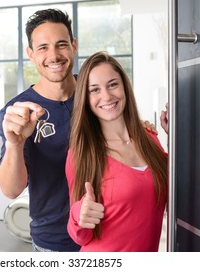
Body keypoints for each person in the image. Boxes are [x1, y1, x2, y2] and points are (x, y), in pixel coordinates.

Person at [0, 9, 159, 252]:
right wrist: (15, 144)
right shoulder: (19, 112)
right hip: (54, 242)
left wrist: (147, 132)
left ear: (73, 45)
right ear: (30, 54)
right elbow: (10, 190)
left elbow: (126, 135)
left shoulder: (95, 93)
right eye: (42, 48)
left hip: (108, 234)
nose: (54, 55)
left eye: (61, 44)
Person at [66, 51, 168, 252]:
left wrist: (175, 135)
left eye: (113, 84)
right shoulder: (81, 154)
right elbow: (80, 235)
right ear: (85, 99)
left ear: (124, 87)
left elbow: (178, 190)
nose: (106, 96)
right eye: (94, 90)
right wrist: (79, 215)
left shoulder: (150, 138)